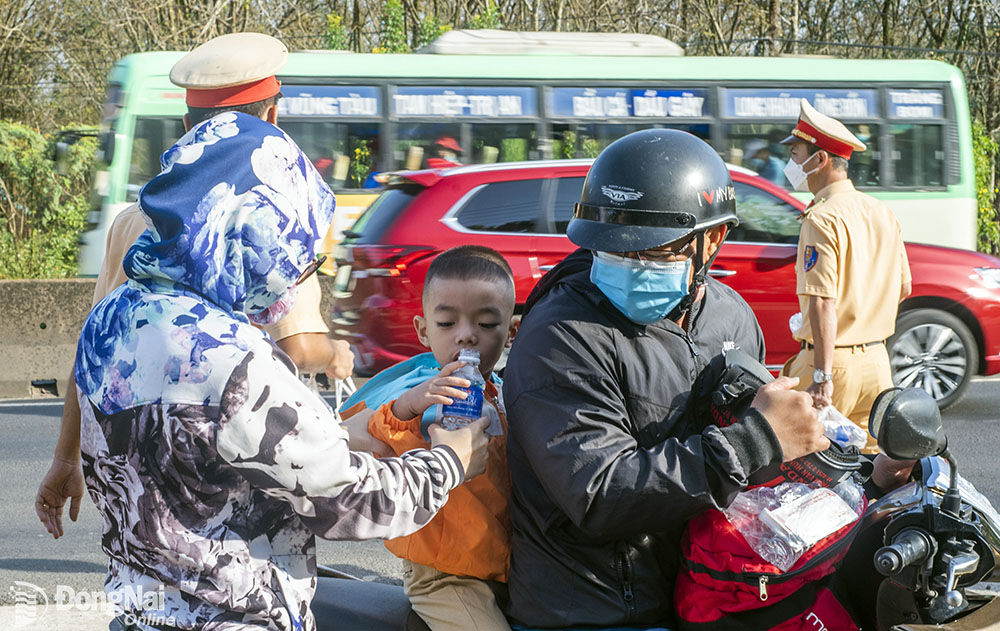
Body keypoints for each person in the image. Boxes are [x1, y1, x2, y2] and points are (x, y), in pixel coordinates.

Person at [51, 33, 492, 631]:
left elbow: (251, 451)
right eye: (290, 240)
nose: (293, 265)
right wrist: (451, 458)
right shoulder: (228, 357)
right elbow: (355, 503)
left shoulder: (117, 316)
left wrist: (402, 409)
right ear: (253, 228)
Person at [502, 128, 830, 629]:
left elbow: (753, 460)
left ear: (713, 240)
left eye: (654, 252)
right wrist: (754, 442)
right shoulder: (560, 337)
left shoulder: (731, 317)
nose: (630, 266)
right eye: (612, 250)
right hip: (594, 609)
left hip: (703, 588)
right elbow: (598, 492)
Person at [35, 32, 354, 540]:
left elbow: (91, 351)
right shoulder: (271, 230)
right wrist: (338, 353)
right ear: (272, 122)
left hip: (144, 508)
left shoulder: (133, 223)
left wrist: (65, 457)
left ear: (188, 130)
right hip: (237, 519)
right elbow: (299, 347)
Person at [339, 245, 517, 631]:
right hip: (445, 575)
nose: (466, 337)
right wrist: (408, 404)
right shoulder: (422, 394)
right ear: (423, 331)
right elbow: (382, 437)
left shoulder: (504, 395)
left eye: (486, 325)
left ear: (511, 331)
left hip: (501, 567)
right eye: (447, 324)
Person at [779, 99, 912, 453]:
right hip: (877, 363)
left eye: (795, 154)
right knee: (869, 472)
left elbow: (823, 302)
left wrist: (822, 377)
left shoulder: (821, 218)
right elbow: (904, 286)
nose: (791, 164)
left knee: (798, 467)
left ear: (819, 160)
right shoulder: (882, 211)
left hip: (831, 365)